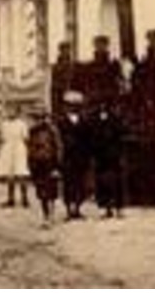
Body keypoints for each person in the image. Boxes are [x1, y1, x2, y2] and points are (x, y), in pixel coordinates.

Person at [57, 89, 92, 220]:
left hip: (80, 157)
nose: (72, 108)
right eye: (69, 105)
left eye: (75, 105)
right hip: (67, 157)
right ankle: (68, 209)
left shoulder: (84, 121)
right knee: (68, 184)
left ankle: (77, 208)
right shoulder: (61, 122)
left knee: (80, 183)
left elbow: (88, 139)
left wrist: (87, 156)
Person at [26, 108, 63, 227]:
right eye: (36, 118)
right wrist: (30, 163)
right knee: (41, 192)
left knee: (51, 191)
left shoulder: (52, 130)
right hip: (37, 163)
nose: (39, 120)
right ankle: (45, 215)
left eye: (41, 118)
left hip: (50, 162)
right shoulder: (32, 131)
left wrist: (57, 165)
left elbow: (58, 147)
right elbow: (30, 148)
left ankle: (51, 215)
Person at [91, 101, 127, 218]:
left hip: (113, 156)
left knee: (116, 182)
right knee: (102, 183)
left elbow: (121, 135)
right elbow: (93, 137)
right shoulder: (95, 120)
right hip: (101, 157)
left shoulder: (115, 119)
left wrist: (119, 152)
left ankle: (119, 208)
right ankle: (106, 207)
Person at [0, 101, 32, 208]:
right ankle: (11, 199)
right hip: (7, 149)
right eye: (9, 110)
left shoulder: (22, 124)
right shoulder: (4, 124)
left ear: (18, 112)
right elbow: (1, 138)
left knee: (21, 173)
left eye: (14, 110)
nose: (11, 113)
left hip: (19, 149)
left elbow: (26, 138)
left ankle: (24, 198)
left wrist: (26, 151)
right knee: (9, 175)